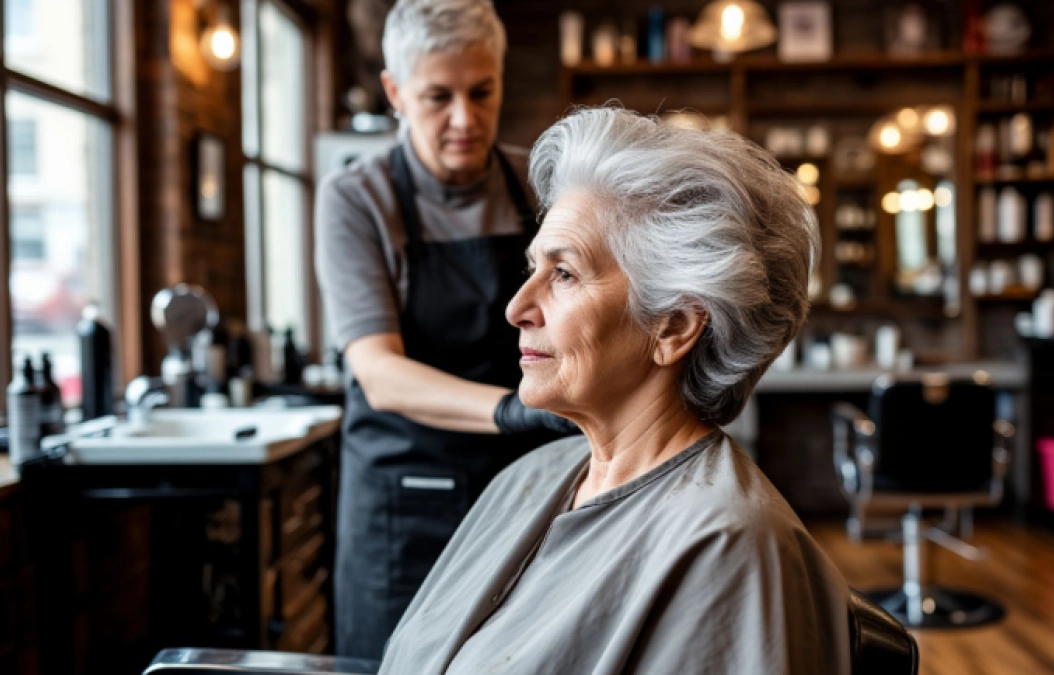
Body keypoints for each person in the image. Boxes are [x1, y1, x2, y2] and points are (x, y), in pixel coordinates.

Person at [377, 107, 851, 674]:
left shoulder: (728, 544)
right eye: (533, 268)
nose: (517, 309)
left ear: (673, 326)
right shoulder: (532, 477)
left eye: (565, 274)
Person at [314, 0, 574, 660]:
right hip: (404, 506)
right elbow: (380, 372)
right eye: (438, 97)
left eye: (481, 92)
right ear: (395, 93)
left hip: (526, 487)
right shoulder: (356, 200)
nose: (465, 119)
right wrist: (514, 410)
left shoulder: (541, 188)